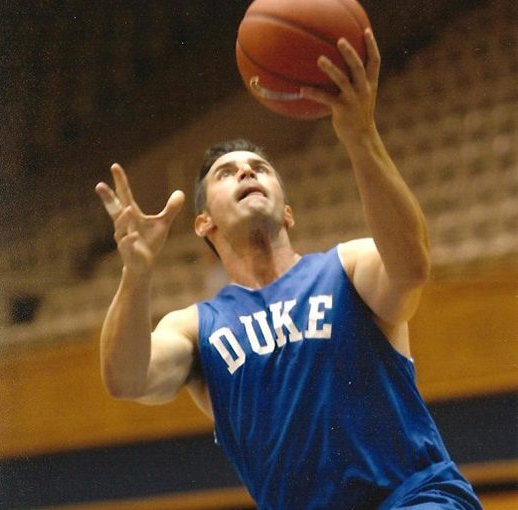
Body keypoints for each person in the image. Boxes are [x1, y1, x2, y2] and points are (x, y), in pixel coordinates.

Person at [95, 29, 482, 510]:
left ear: (288, 211)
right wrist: (135, 272)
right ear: (203, 223)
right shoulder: (197, 328)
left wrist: (360, 136)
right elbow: (125, 379)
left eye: (259, 167)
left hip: (415, 498)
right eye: (226, 172)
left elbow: (410, 269)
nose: (246, 172)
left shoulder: (348, 267)